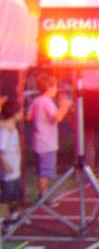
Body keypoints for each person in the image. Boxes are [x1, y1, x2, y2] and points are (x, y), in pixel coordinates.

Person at [27, 74, 72, 199]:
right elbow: (57, 117)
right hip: (47, 143)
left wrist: (40, 118)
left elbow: (29, 116)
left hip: (38, 141)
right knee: (45, 172)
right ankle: (44, 196)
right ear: (49, 87)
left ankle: (43, 194)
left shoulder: (36, 100)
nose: (56, 89)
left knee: (41, 170)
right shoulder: (47, 102)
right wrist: (64, 106)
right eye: (55, 87)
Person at [0, 100, 23, 230]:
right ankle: (3, 220)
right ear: (15, 114)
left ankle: (13, 216)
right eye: (20, 111)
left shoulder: (12, 129)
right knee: (6, 197)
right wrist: (5, 164)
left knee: (14, 195)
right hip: (8, 173)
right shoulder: (5, 131)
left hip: (15, 171)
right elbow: (0, 150)